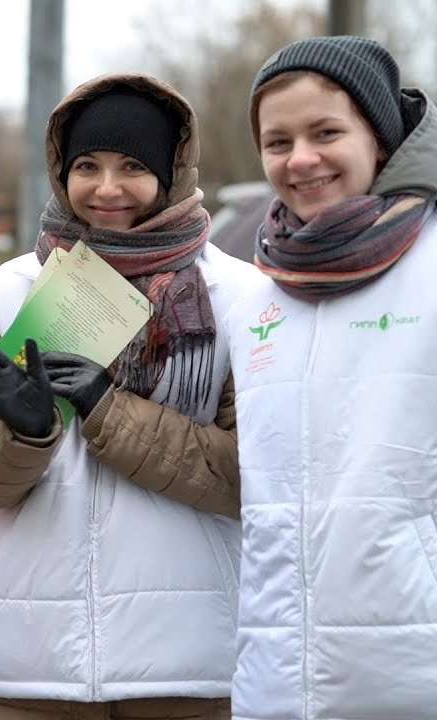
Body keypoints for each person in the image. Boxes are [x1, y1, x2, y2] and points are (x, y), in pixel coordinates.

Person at [0, 74, 260, 720]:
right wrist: (27, 435)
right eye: (87, 165)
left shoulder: (239, 297)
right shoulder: (14, 292)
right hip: (31, 672)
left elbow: (248, 478)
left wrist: (106, 407)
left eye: (132, 166)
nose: (106, 187)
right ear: (60, 170)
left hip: (188, 672)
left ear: (172, 174)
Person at [226, 36, 437, 720]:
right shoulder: (256, 295)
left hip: (413, 679)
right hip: (275, 684)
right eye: (278, 141)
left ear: (378, 136)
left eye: (326, 132)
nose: (302, 159)